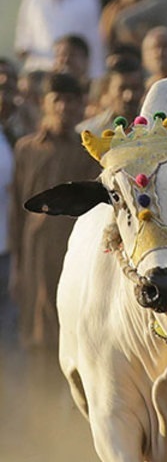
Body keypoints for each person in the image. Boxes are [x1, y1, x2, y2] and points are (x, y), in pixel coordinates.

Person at [9, 73, 97, 351]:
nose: (64, 107)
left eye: (71, 100)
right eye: (57, 99)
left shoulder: (89, 150)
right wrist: (16, 265)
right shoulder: (26, 148)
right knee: (37, 337)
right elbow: (16, 211)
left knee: (76, 335)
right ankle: (37, 396)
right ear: (43, 102)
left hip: (75, 254)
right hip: (34, 253)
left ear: (81, 105)